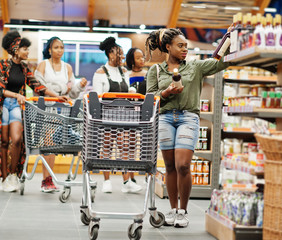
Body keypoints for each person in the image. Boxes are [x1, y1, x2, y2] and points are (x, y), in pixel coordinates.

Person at [145, 28, 231, 227]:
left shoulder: (196, 67)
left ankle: (183, 211)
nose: (185, 50)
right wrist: (167, 91)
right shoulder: (156, 71)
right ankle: (173, 209)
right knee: (169, 166)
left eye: (186, 46)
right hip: (165, 118)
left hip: (188, 118)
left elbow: (222, 62)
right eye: (180, 46)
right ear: (168, 47)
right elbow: (150, 98)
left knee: (182, 165)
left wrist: (229, 39)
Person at [0, 31, 68, 192]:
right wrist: (17, 95)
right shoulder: (2, 65)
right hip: (2, 105)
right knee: (4, 142)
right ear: (15, 49)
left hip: (17, 106)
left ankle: (13, 175)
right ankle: (5, 179)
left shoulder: (24, 68)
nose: (27, 52)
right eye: (24, 49)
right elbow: (0, 89)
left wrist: (57, 96)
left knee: (18, 139)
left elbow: (37, 86)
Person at [35, 36, 88, 192]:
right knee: (48, 143)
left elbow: (71, 93)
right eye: (56, 47)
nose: (59, 50)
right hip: (46, 107)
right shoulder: (43, 65)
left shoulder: (67, 68)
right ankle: (46, 180)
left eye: (62, 47)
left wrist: (80, 85)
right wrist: (55, 95)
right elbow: (39, 87)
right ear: (49, 49)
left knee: (56, 144)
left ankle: (49, 178)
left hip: (62, 109)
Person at [92, 37, 142, 194]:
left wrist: (131, 92)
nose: (121, 57)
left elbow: (128, 91)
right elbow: (97, 97)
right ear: (110, 54)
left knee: (125, 146)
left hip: (124, 115)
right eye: (118, 54)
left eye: (122, 54)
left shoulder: (124, 72)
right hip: (106, 115)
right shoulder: (100, 73)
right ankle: (106, 181)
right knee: (107, 146)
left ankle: (127, 181)